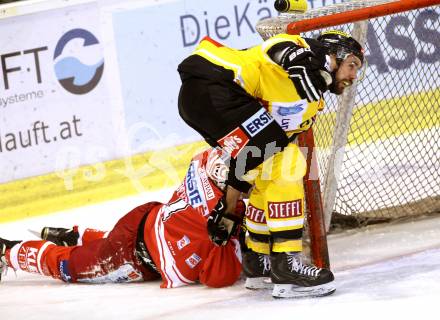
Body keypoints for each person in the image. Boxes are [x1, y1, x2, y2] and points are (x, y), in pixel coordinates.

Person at [177, 29, 364, 298]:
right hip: (214, 85)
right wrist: (305, 57)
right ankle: (286, 262)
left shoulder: (309, 104)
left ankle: (258, 259)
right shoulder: (303, 50)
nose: (353, 76)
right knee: (289, 165)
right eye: (351, 65)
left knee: (270, 167)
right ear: (334, 56)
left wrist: (230, 208)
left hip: (206, 102)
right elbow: (277, 47)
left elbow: (249, 159)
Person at [0, 148, 244, 288]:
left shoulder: (204, 160)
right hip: (132, 257)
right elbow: (218, 277)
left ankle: (76, 236)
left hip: (145, 220)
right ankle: (7, 252)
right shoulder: (222, 213)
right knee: (68, 266)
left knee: (109, 241)